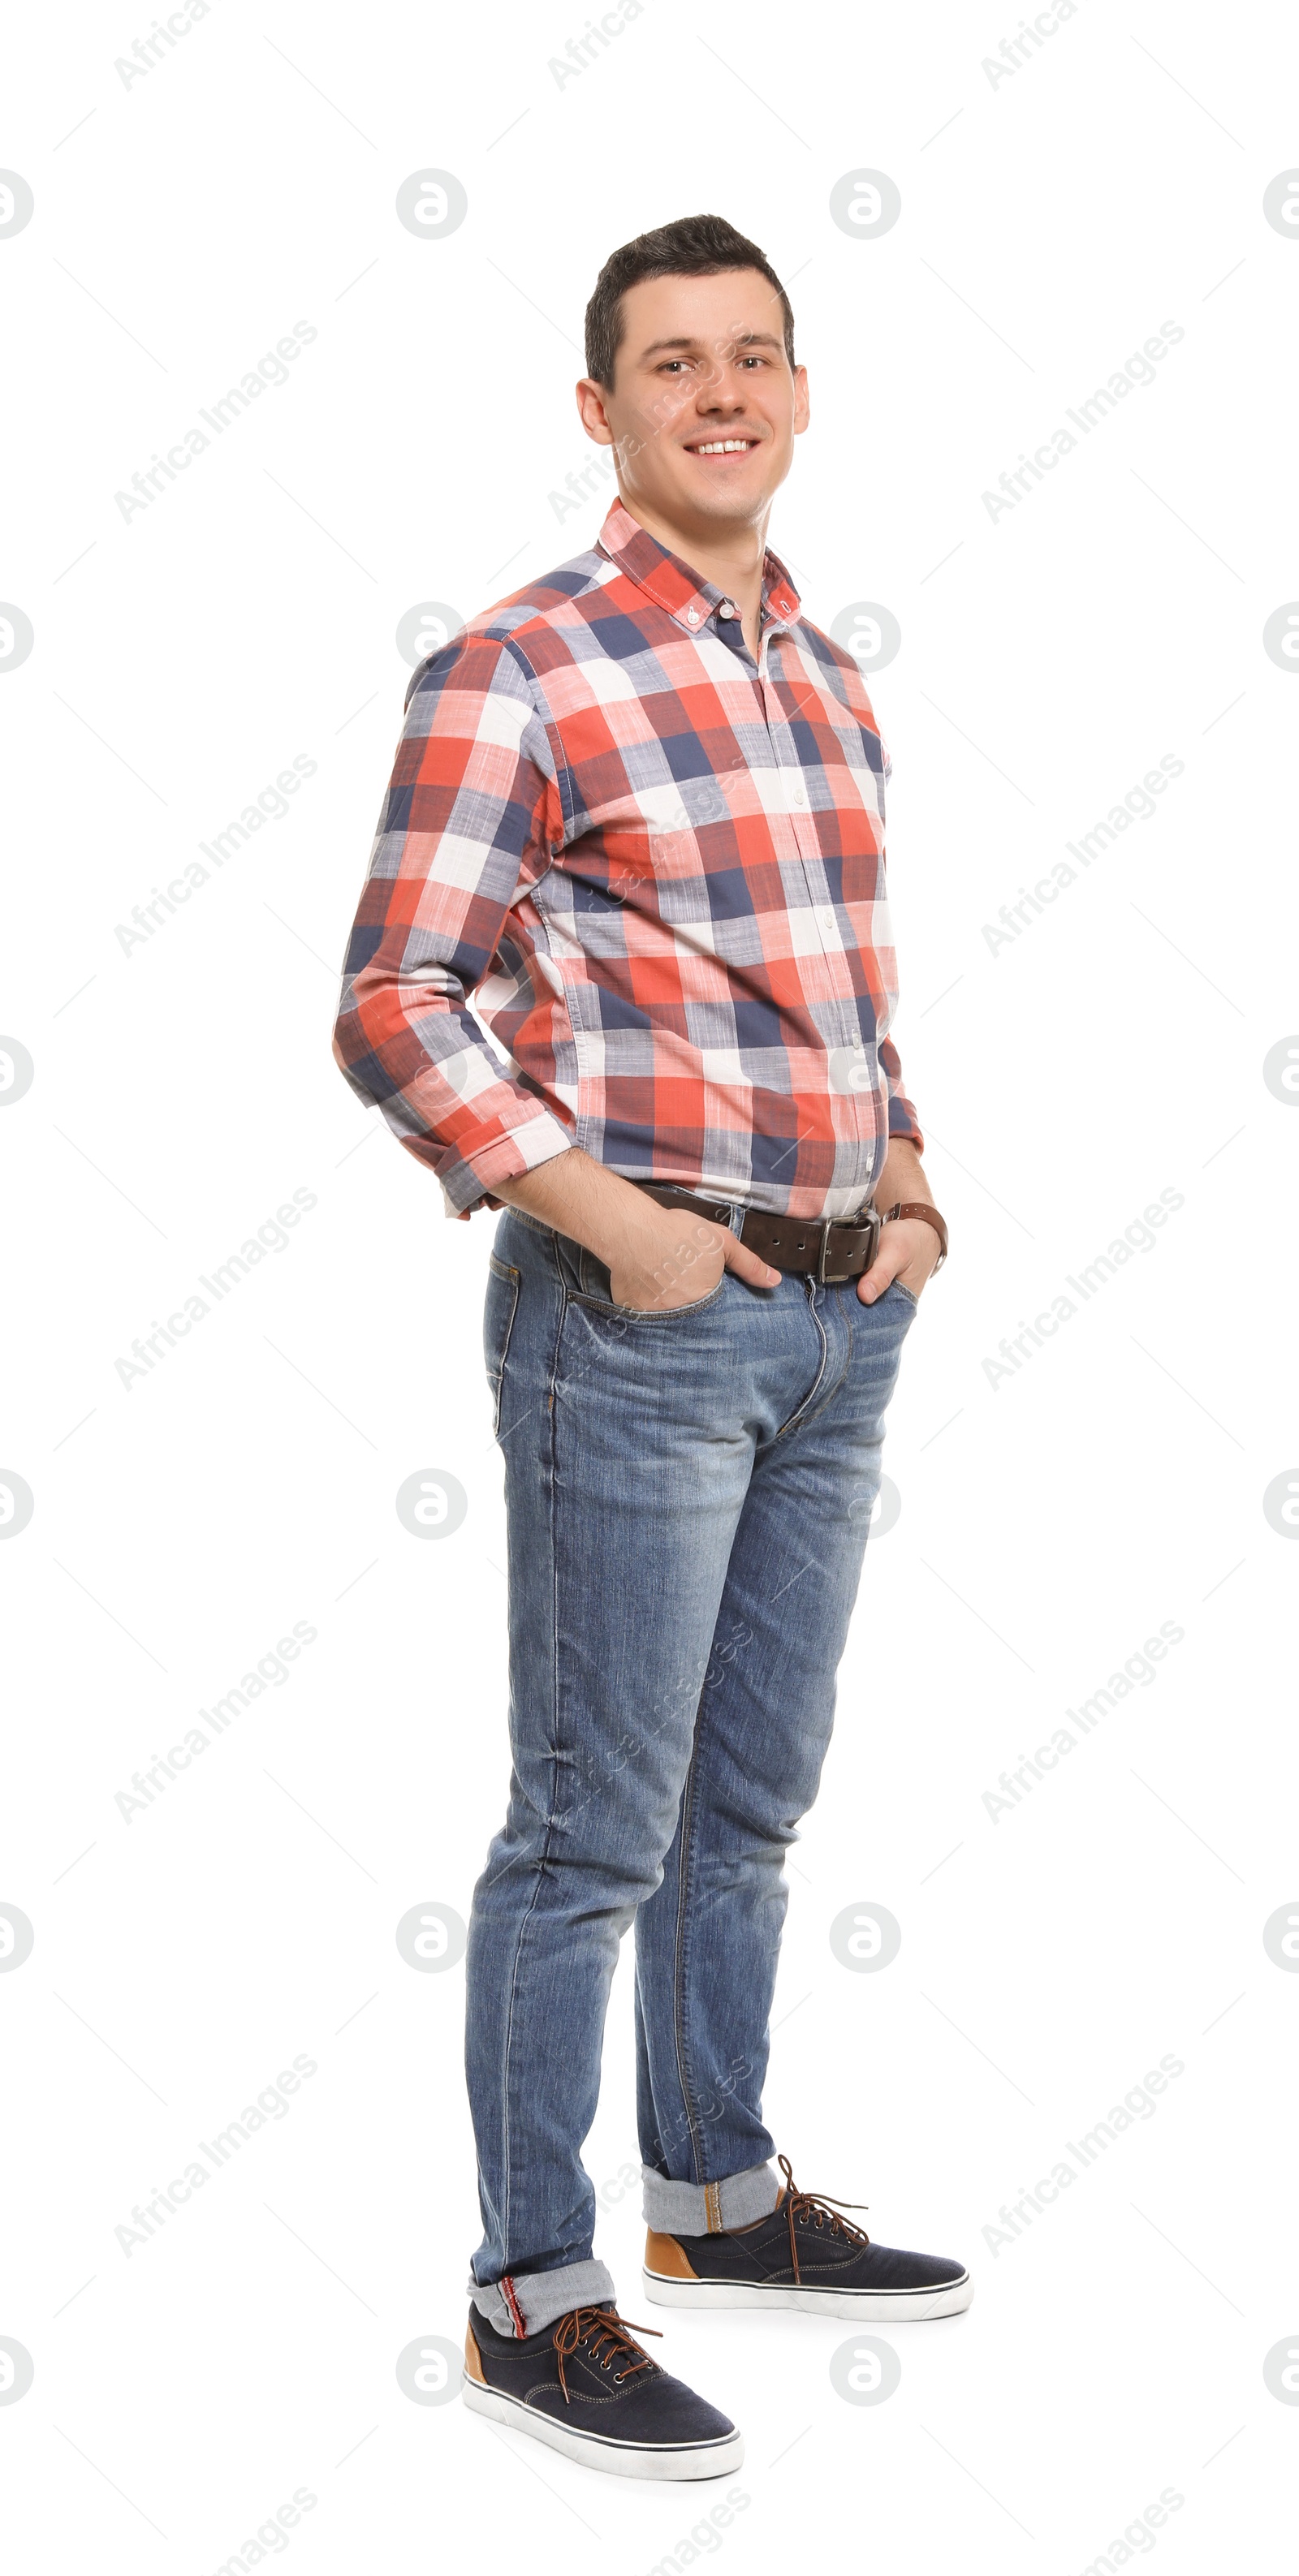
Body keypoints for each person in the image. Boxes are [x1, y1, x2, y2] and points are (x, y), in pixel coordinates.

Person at [334, 212, 970, 2483]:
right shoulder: (520, 667)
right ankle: (535, 2289)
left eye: (759, 359)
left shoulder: (824, 667)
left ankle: (717, 2194)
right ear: (599, 412)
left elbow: (839, 983)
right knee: (592, 1828)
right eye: (673, 364)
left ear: (801, 395)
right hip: (645, 1317)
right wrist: (612, 1225)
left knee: (754, 1806)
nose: (723, 394)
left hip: (838, 1311)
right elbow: (394, 998)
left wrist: (906, 1176)